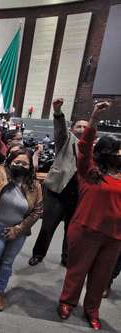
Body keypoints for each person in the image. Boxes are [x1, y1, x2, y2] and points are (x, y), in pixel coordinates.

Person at [58, 101, 121, 331]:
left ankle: (92, 311)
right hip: (86, 229)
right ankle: (67, 302)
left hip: (114, 236)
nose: (119, 155)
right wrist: (94, 118)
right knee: (77, 271)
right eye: (116, 152)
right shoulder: (90, 172)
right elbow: (83, 147)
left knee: (101, 277)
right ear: (105, 153)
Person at [0, 130, 43, 311]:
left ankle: (0, 291)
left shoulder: (35, 185)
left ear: (30, 167)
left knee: (6, 265)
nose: (20, 165)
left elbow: (37, 211)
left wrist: (18, 230)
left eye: (24, 163)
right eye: (17, 161)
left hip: (19, 232)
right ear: (10, 161)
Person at [29, 98, 85, 267]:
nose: (82, 129)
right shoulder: (66, 142)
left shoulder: (95, 148)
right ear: (73, 129)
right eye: (79, 126)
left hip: (79, 195)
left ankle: (66, 257)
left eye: (86, 127)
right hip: (57, 192)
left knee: (72, 230)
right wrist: (58, 112)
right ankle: (38, 254)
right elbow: (60, 131)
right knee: (48, 226)